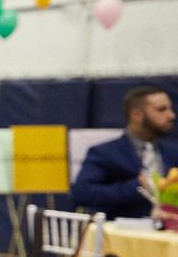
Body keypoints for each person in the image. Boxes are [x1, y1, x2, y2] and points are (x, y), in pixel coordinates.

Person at [71, 85, 176, 219]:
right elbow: (82, 192)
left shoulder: (172, 152)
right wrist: (136, 187)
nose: (171, 115)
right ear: (137, 115)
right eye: (161, 110)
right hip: (123, 231)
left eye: (170, 109)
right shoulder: (105, 153)